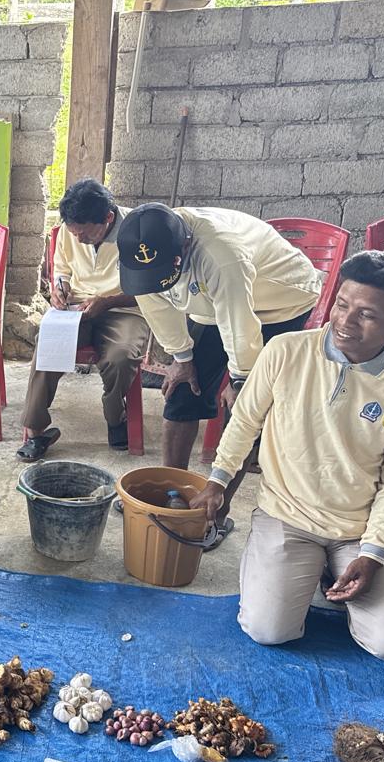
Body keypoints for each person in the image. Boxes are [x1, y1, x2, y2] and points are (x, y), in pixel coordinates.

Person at [189, 251, 384, 661]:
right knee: (268, 630)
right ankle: (295, 564)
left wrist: (374, 552)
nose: (345, 321)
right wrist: (218, 479)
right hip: (287, 514)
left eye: (366, 315)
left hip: (358, 529)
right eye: (341, 304)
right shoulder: (286, 350)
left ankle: (335, 566)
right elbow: (244, 422)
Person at [116, 202, 323, 548]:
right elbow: (153, 302)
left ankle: (216, 514)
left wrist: (241, 381)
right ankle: (172, 494)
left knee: (245, 409)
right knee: (183, 389)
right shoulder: (138, 250)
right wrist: (181, 357)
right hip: (213, 303)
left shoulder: (222, 255)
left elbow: (239, 324)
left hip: (279, 300)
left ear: (184, 247)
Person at [17, 178, 149, 461]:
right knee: (48, 342)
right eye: (73, 233)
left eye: (85, 234)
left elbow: (151, 291)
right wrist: (60, 287)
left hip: (125, 309)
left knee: (122, 357)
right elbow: (62, 268)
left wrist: (108, 302)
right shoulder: (71, 229)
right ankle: (36, 430)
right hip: (77, 306)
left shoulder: (138, 231)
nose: (78, 239)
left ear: (108, 218)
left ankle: (116, 416)